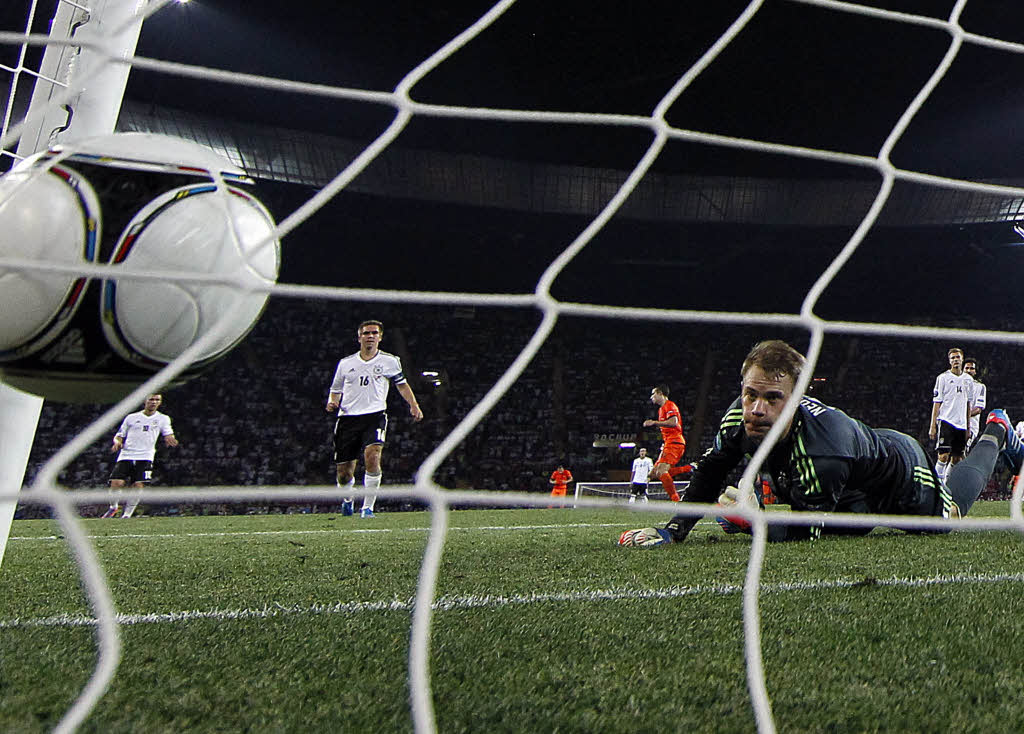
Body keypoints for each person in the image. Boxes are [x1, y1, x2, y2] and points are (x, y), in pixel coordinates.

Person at [618, 340, 1023, 547]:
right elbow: (711, 468)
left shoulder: (823, 450)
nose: (756, 409)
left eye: (773, 399)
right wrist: (673, 530)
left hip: (897, 471)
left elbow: (806, 533)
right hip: (851, 482)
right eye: (749, 394)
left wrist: (753, 523)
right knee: (844, 521)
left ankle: (997, 432)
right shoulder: (739, 416)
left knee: (947, 518)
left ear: (795, 399)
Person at [326, 319, 423, 518]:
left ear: (380, 337)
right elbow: (335, 390)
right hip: (348, 419)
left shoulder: (390, 361)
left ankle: (368, 507)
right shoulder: (346, 364)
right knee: (344, 473)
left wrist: (413, 405)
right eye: (366, 333)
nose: (370, 336)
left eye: (374, 333)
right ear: (359, 337)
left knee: (373, 455)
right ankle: (347, 499)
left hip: (375, 416)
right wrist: (332, 402)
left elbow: (402, 385)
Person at [102, 393, 178, 519]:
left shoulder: (163, 418)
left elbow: (168, 432)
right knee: (116, 483)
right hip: (127, 454)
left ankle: (127, 514)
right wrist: (117, 442)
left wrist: (170, 438)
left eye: (157, 400)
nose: (154, 402)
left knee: (138, 485)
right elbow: (119, 435)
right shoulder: (131, 417)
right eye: (151, 399)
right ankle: (113, 507)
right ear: (145, 401)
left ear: (160, 402)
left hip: (145, 456)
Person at [929, 347, 975, 483]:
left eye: (957, 357)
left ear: (962, 359)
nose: (955, 360)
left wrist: (968, 427)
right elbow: (936, 403)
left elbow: (968, 404)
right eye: (953, 358)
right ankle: (937, 486)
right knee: (943, 455)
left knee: (956, 458)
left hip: (961, 424)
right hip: (946, 421)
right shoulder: (942, 378)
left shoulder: (968, 380)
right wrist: (933, 426)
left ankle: (946, 486)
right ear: (949, 361)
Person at [643, 385, 689, 502]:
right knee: (652, 474)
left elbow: (674, 422)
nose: (651, 397)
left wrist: (654, 422)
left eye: (653, 394)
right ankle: (690, 468)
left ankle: (676, 501)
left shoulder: (669, 405)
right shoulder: (661, 409)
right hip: (669, 442)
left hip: (674, 442)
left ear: (660, 393)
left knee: (661, 471)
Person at [964, 357, 987, 450]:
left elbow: (978, 409)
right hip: (954, 423)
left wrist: (962, 416)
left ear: (975, 371)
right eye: (966, 368)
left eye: (972, 368)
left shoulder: (980, 387)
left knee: (961, 451)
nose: (969, 370)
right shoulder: (956, 385)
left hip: (971, 425)